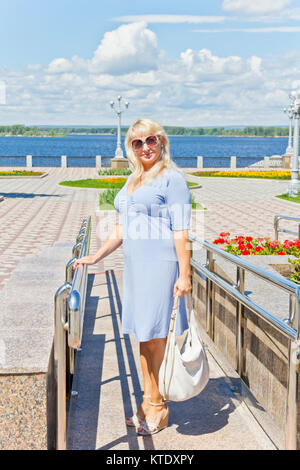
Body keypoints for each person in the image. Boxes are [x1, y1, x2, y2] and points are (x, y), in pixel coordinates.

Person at [73, 118, 192, 436]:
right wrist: (96, 256)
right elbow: (121, 228)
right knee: (142, 335)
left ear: (162, 141)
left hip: (161, 264)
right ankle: (148, 399)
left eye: (150, 140)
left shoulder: (172, 179)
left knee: (156, 338)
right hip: (136, 268)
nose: (145, 147)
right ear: (131, 148)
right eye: (137, 143)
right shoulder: (132, 180)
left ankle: (158, 405)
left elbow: (181, 231)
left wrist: (185, 273)